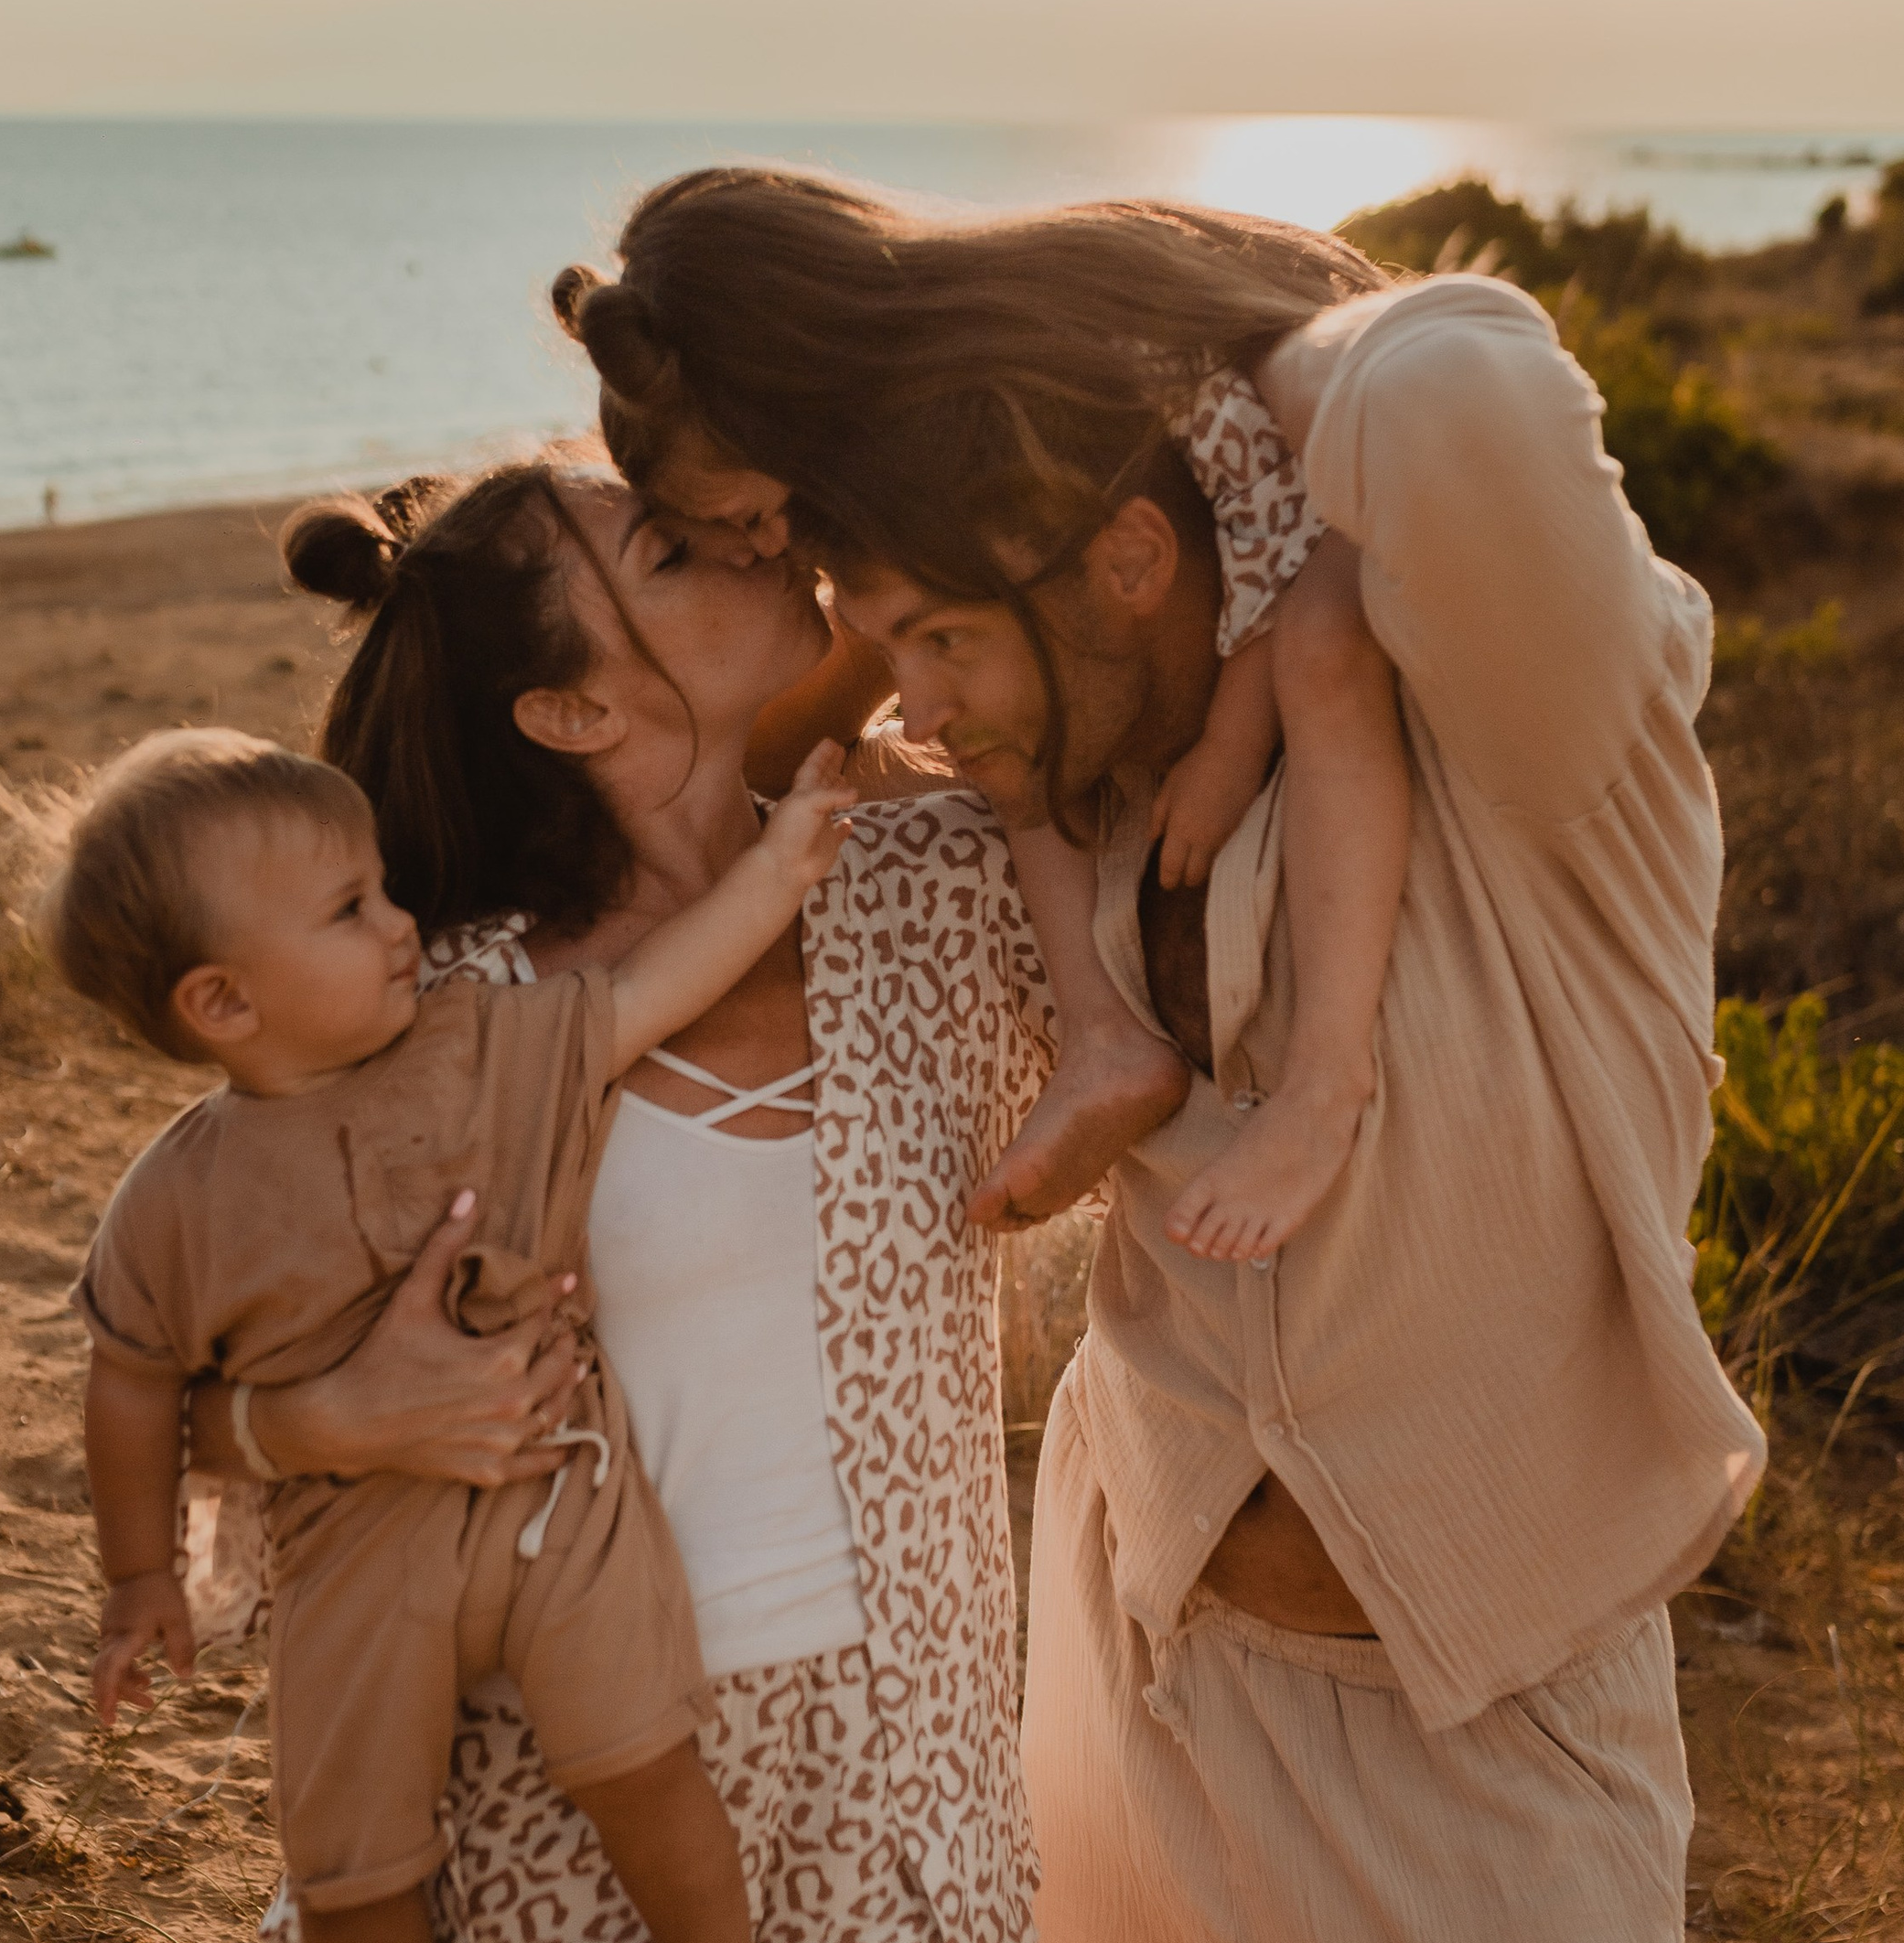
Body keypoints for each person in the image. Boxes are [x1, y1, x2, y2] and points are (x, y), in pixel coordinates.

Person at [555, 166, 1805, 1943]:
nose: (892, 680)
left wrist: (1224, 373)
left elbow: (1459, 386)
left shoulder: (1530, 742)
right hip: (1136, 1611)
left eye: (907, 611)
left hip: (1472, 1686)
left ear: (1137, 545)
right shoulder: (1097, 776)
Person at [186, 451, 1052, 1943]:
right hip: (525, 1786)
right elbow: (195, 1356)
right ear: (570, 709)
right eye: (668, 554)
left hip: (874, 1761)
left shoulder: (941, 885)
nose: (758, 550)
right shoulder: (429, 997)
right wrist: (325, 1414)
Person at [37, 717, 850, 1943]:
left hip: (560, 1489)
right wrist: (140, 1577)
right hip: (352, 1555)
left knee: (644, 1759)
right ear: (221, 1001)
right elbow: (132, 1378)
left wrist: (786, 861)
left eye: (380, 887)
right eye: (348, 911)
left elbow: (651, 994)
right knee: (348, 1851)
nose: (403, 921)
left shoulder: (485, 1044)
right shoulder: (179, 1197)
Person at [554, 248, 1415, 1263]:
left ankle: (1327, 1079)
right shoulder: (887, 456)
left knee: (1317, 665)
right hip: (1218, 550)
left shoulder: (1021, 385)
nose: (759, 548)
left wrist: (1232, 740)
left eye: (751, 516)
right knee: (1005, 751)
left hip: (1326, 523)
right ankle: (1102, 1038)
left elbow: (1275, 528)